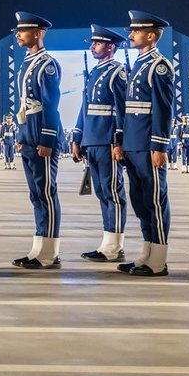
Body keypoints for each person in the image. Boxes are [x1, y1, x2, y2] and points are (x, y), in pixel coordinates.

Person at [118, 10, 174, 277]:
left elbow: (163, 109)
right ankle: (146, 253)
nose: (131, 35)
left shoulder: (158, 65)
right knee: (140, 201)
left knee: (155, 199)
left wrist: (160, 146)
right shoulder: (139, 64)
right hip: (133, 143)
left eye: (136, 31)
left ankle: (158, 260)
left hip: (149, 145)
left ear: (151, 36)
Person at [70, 24, 129, 263]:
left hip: (107, 142)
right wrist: (77, 138)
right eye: (93, 43)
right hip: (92, 141)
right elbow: (84, 109)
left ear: (110, 47)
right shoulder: (94, 73)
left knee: (113, 193)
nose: (93, 46)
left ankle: (115, 246)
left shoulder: (118, 72)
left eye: (98, 43)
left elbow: (121, 111)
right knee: (103, 193)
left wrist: (118, 141)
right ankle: (107, 243)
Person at [11, 12, 63, 270]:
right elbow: (23, 104)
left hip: (42, 132)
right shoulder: (27, 63)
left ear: (38, 33)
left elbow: (51, 104)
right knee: (35, 194)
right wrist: (22, 136)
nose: (18, 34)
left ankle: (50, 252)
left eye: (24, 30)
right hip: (28, 132)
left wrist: (47, 138)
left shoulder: (47, 64)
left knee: (46, 193)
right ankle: (38, 247)